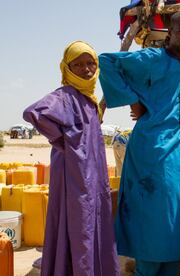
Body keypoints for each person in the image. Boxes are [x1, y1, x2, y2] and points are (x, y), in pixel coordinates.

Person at [98, 10, 180, 276]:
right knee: (154, 216)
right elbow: (107, 62)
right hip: (154, 152)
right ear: (170, 33)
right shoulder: (152, 58)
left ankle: (169, 269)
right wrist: (134, 99)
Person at [23, 41, 119, 276]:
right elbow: (34, 113)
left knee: (90, 224)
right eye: (78, 64)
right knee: (78, 225)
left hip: (92, 175)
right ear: (67, 68)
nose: (86, 69)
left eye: (90, 63)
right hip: (73, 175)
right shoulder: (66, 95)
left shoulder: (89, 99)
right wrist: (64, 141)